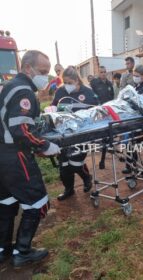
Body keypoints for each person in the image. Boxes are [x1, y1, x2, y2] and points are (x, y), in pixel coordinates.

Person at [0, 50, 61, 267]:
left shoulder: (9, 86)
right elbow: (22, 130)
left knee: (6, 203)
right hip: (16, 156)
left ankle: (3, 248)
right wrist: (45, 145)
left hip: (2, 156)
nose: (46, 76)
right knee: (37, 202)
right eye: (43, 71)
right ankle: (22, 251)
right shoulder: (23, 91)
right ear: (28, 68)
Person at [52, 66, 99, 201]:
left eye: (69, 83)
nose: (67, 86)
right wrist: (51, 109)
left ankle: (86, 177)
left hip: (82, 134)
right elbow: (54, 107)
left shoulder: (88, 92)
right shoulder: (60, 92)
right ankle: (69, 189)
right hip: (64, 134)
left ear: (77, 80)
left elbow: (97, 110)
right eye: (65, 82)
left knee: (75, 162)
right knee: (64, 165)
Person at [90, 66, 114, 169]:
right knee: (97, 135)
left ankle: (102, 160)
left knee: (106, 135)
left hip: (107, 113)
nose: (103, 74)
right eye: (101, 72)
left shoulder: (109, 84)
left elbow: (112, 97)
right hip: (98, 112)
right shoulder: (94, 83)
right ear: (98, 73)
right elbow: (91, 95)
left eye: (104, 72)